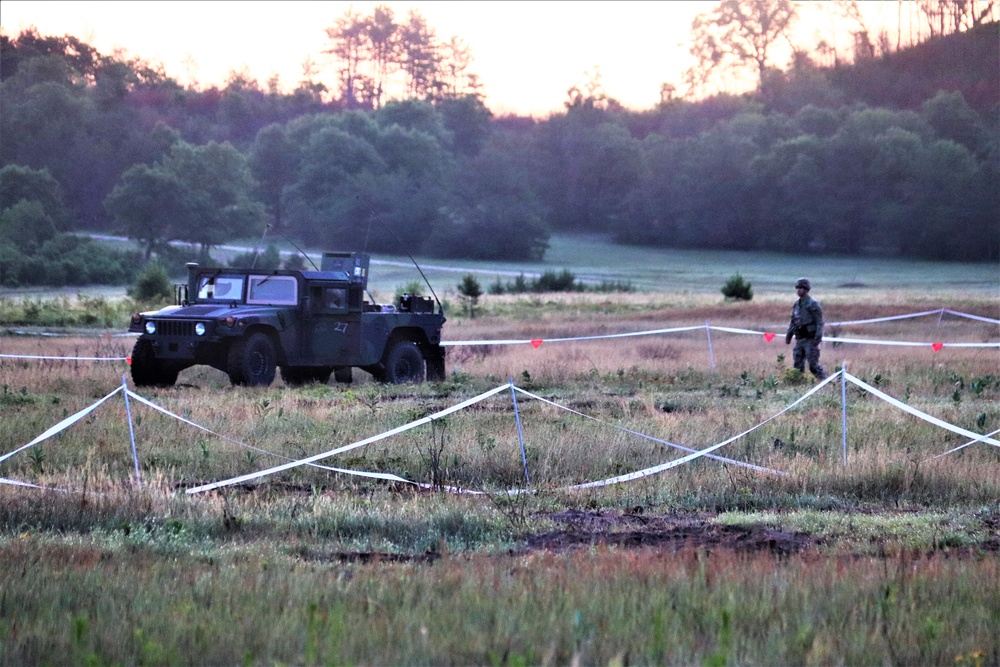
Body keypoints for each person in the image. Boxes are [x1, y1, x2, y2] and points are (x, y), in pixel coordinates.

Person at [785, 278, 827, 380]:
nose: (798, 290)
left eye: (801, 288)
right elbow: (793, 321)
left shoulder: (813, 304)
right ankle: (798, 384)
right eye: (797, 288)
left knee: (813, 365)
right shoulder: (797, 304)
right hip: (800, 339)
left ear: (806, 289)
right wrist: (789, 335)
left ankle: (825, 381)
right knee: (797, 365)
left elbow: (819, 322)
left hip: (810, 339)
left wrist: (818, 337)